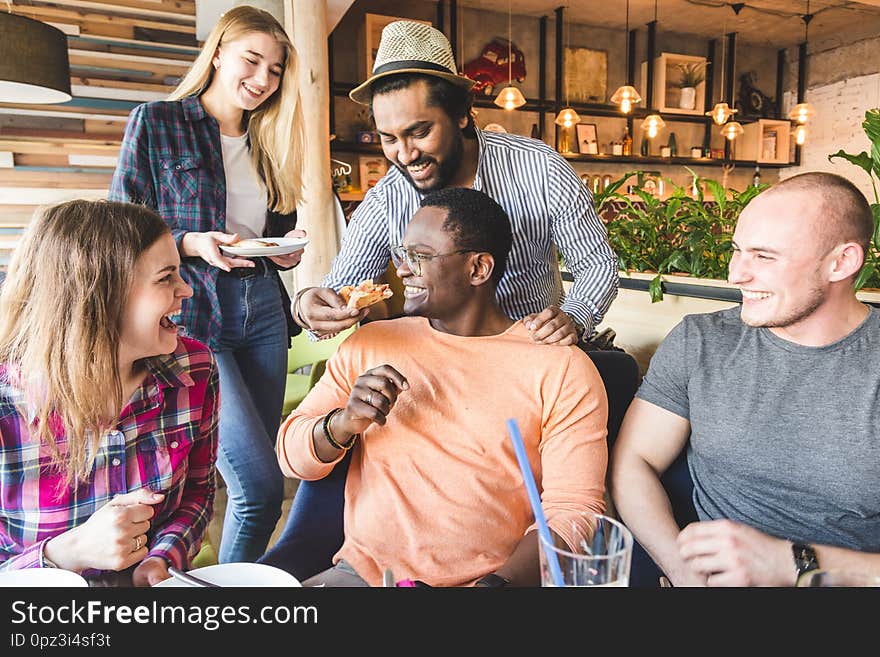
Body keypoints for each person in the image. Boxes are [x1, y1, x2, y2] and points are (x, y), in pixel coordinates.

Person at [276, 188, 609, 587]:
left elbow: (574, 512)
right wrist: (343, 423)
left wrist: (496, 586)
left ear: (478, 269)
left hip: (494, 584)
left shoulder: (560, 367)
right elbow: (290, 459)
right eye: (402, 255)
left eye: (420, 256)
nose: (401, 270)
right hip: (365, 577)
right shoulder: (369, 343)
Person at [609, 172, 880, 587]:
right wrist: (683, 571)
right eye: (737, 251)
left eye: (764, 256)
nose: (736, 274)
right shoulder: (701, 340)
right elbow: (633, 462)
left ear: (841, 262)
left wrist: (792, 564)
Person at [109, 5, 306, 563]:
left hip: (264, 309)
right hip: (193, 313)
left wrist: (288, 251)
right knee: (260, 487)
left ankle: (219, 589)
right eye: (252, 61)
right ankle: (225, 598)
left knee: (246, 480)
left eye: (276, 69)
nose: (263, 80)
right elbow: (121, 222)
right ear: (218, 52)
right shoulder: (158, 121)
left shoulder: (269, 139)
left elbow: (277, 230)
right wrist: (191, 243)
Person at [293, 20, 618, 346]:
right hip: (436, 364)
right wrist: (308, 305)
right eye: (389, 138)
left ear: (462, 113)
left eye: (419, 132)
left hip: (533, 357)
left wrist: (575, 317)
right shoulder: (386, 199)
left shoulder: (540, 167)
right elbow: (341, 288)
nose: (405, 155)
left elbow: (598, 263)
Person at [0, 199, 217, 587]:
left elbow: (197, 493)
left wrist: (162, 557)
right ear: (100, 294)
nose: (186, 290)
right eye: (166, 277)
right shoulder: (7, 402)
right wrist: (68, 554)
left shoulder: (195, 370)